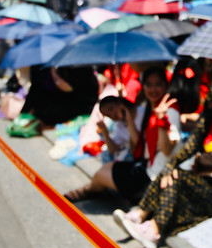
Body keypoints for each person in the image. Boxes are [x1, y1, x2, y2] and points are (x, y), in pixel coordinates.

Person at [113, 63, 212, 248]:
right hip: (205, 179)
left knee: (177, 179)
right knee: (170, 172)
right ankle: (141, 214)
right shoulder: (208, 121)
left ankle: (153, 231)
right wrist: (170, 165)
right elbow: (190, 147)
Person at [64, 67, 181, 204]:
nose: (153, 89)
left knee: (102, 175)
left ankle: (88, 190)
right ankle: (91, 189)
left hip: (153, 176)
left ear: (166, 85)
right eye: (149, 85)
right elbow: (135, 147)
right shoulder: (151, 108)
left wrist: (161, 120)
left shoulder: (168, 110)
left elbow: (167, 150)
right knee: (107, 168)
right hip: (146, 165)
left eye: (158, 84)